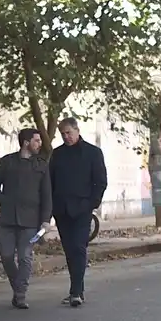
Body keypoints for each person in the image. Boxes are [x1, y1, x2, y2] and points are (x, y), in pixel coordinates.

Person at [46, 116, 108, 307]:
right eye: (63, 134)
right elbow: (50, 182)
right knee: (69, 250)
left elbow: (100, 181)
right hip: (62, 209)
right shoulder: (57, 155)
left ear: (77, 130)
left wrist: (92, 203)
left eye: (69, 133)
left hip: (82, 209)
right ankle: (75, 288)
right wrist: (50, 210)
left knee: (79, 248)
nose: (66, 137)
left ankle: (76, 292)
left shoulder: (93, 153)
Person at [0, 127, 51, 309]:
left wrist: (46, 220)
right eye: (36, 141)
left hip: (31, 222)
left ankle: (20, 293)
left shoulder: (41, 165)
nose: (39, 144)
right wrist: (2, 202)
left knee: (25, 257)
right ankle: (18, 287)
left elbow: (47, 196)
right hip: (7, 220)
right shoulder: (7, 162)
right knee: (6, 257)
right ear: (26, 142)